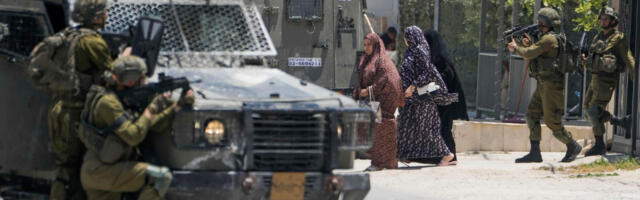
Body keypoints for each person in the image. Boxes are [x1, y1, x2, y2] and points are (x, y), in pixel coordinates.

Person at [78, 56, 193, 199]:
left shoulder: (121, 100)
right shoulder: (107, 103)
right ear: (131, 80)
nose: (145, 82)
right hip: (101, 172)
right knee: (160, 177)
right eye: (142, 78)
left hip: (110, 169)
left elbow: (150, 126)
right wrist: (150, 110)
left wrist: (177, 106)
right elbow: (133, 136)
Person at [47, 0, 127, 199]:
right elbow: (113, 73)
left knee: (64, 166)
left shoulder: (67, 35)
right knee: (78, 168)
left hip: (59, 108)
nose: (107, 16)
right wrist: (126, 55)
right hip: (75, 112)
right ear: (96, 16)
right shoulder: (93, 41)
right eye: (103, 12)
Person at [508, 7, 582, 163]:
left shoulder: (549, 39)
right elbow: (536, 52)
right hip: (544, 84)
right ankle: (535, 152)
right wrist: (528, 44)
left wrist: (516, 48)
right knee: (532, 115)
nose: (538, 25)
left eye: (541, 23)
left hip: (552, 87)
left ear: (549, 24)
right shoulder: (548, 38)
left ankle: (572, 145)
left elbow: (529, 53)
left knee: (552, 122)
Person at [397, 26, 457, 166]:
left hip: (421, 98)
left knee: (426, 128)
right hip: (410, 99)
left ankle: (447, 154)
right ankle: (405, 155)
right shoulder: (410, 50)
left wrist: (412, 87)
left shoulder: (420, 50)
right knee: (406, 125)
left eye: (407, 36)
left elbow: (427, 72)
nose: (405, 39)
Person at [581, 6, 636, 156]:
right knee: (587, 111)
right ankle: (620, 121)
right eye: (602, 18)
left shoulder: (618, 38)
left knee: (593, 111)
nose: (603, 21)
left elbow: (628, 58)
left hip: (606, 81)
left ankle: (599, 144)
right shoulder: (598, 36)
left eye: (606, 18)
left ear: (613, 20)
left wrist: (635, 76)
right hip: (595, 78)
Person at [410, 30, 469, 165]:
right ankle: (449, 157)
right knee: (443, 128)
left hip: (445, 101)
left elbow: (440, 84)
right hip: (444, 101)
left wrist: (420, 92)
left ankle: (445, 156)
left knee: (438, 127)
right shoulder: (437, 59)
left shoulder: (441, 61)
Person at [353, 33, 404, 171]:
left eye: (369, 44)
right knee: (370, 130)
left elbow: (386, 79)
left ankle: (384, 163)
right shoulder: (367, 59)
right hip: (372, 102)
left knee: (381, 129)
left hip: (384, 101)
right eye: (364, 45)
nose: (366, 48)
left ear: (376, 45)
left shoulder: (382, 61)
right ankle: (380, 161)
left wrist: (368, 91)